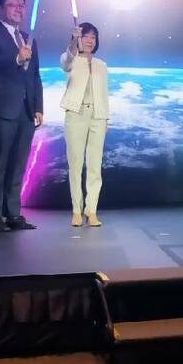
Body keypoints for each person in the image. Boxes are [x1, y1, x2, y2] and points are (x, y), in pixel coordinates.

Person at [0, 0, 43, 232]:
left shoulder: (28, 38)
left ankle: (13, 213)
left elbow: (35, 75)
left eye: (21, 5)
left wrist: (38, 106)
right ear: (0, 9)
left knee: (18, 164)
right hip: (1, 109)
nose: (18, 9)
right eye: (12, 5)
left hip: (26, 111)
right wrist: (17, 58)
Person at [60, 23, 109, 227]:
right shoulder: (70, 59)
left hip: (98, 116)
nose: (90, 40)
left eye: (93, 37)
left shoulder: (101, 65)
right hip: (76, 114)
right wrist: (73, 41)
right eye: (86, 36)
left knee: (95, 165)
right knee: (76, 163)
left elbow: (104, 93)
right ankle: (76, 210)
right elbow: (66, 60)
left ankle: (92, 210)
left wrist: (105, 118)